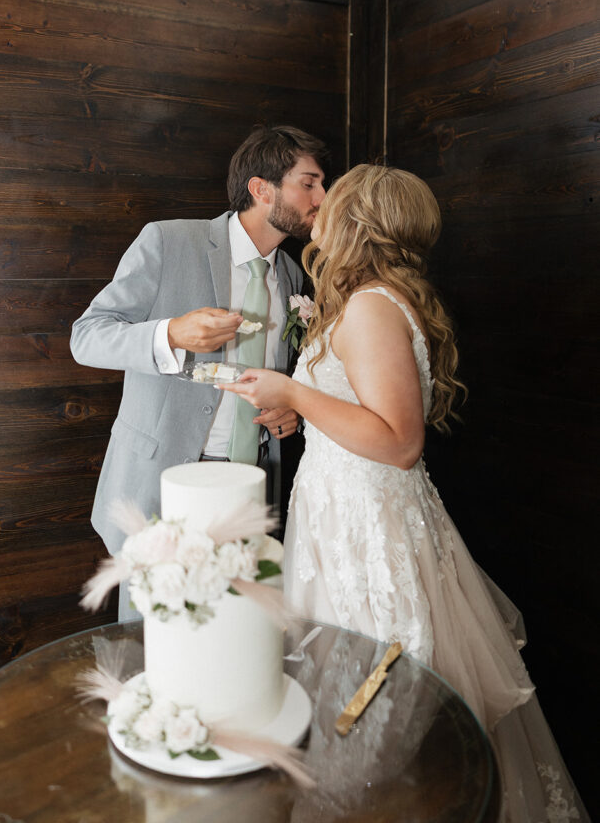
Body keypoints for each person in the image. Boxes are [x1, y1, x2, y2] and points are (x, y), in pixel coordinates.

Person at [219, 163, 589, 822]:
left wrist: (294, 392)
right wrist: (295, 409)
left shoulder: (370, 307)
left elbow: (397, 442)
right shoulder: (366, 300)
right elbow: (359, 412)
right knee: (351, 700)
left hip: (370, 534)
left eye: (333, 199)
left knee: (379, 707)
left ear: (356, 222)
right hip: (340, 513)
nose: (319, 206)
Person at [70, 124, 327, 619]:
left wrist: (288, 407)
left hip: (253, 482)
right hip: (161, 479)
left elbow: (280, 377)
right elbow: (87, 336)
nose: (322, 196)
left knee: (234, 628)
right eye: (310, 182)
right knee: (151, 634)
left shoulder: (294, 274)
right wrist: (169, 334)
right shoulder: (168, 241)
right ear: (261, 188)